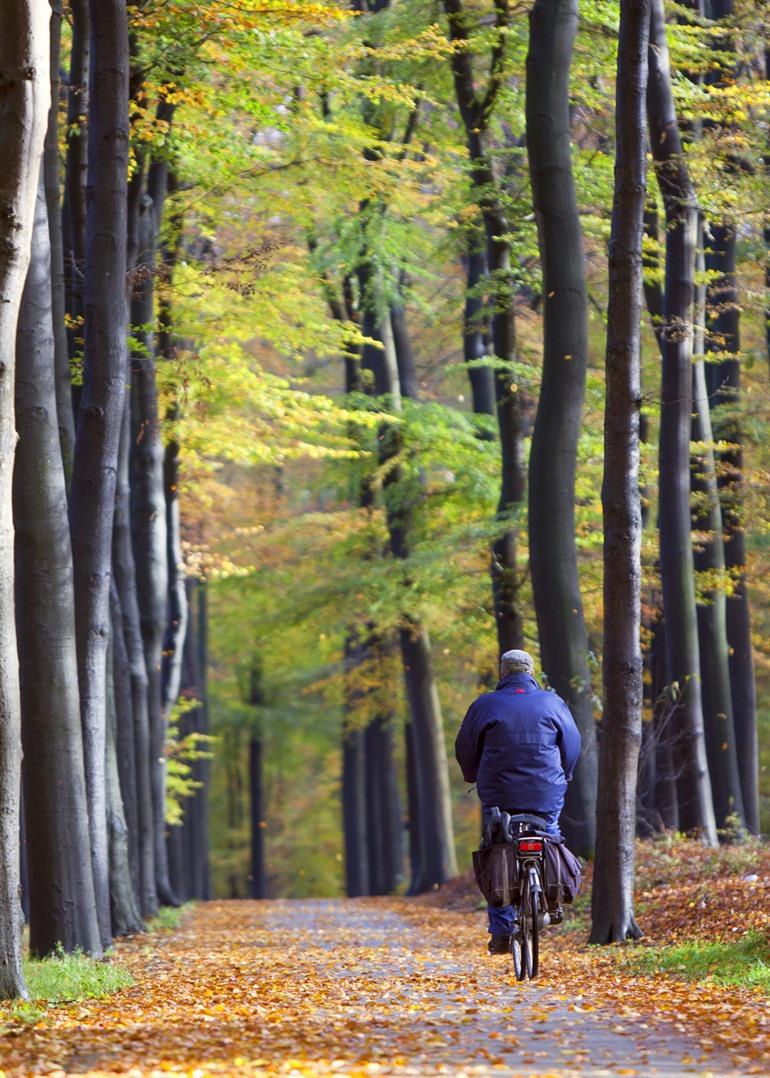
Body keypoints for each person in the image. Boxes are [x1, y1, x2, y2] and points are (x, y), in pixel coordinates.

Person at [455, 648, 581, 954]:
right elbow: (573, 743)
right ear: (532, 672)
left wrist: (472, 775)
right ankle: (552, 901)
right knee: (549, 834)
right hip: (546, 791)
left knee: (496, 845)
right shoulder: (553, 702)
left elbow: (465, 747)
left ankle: (500, 931)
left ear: (502, 673)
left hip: (499, 793)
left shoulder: (485, 705)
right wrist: (566, 773)